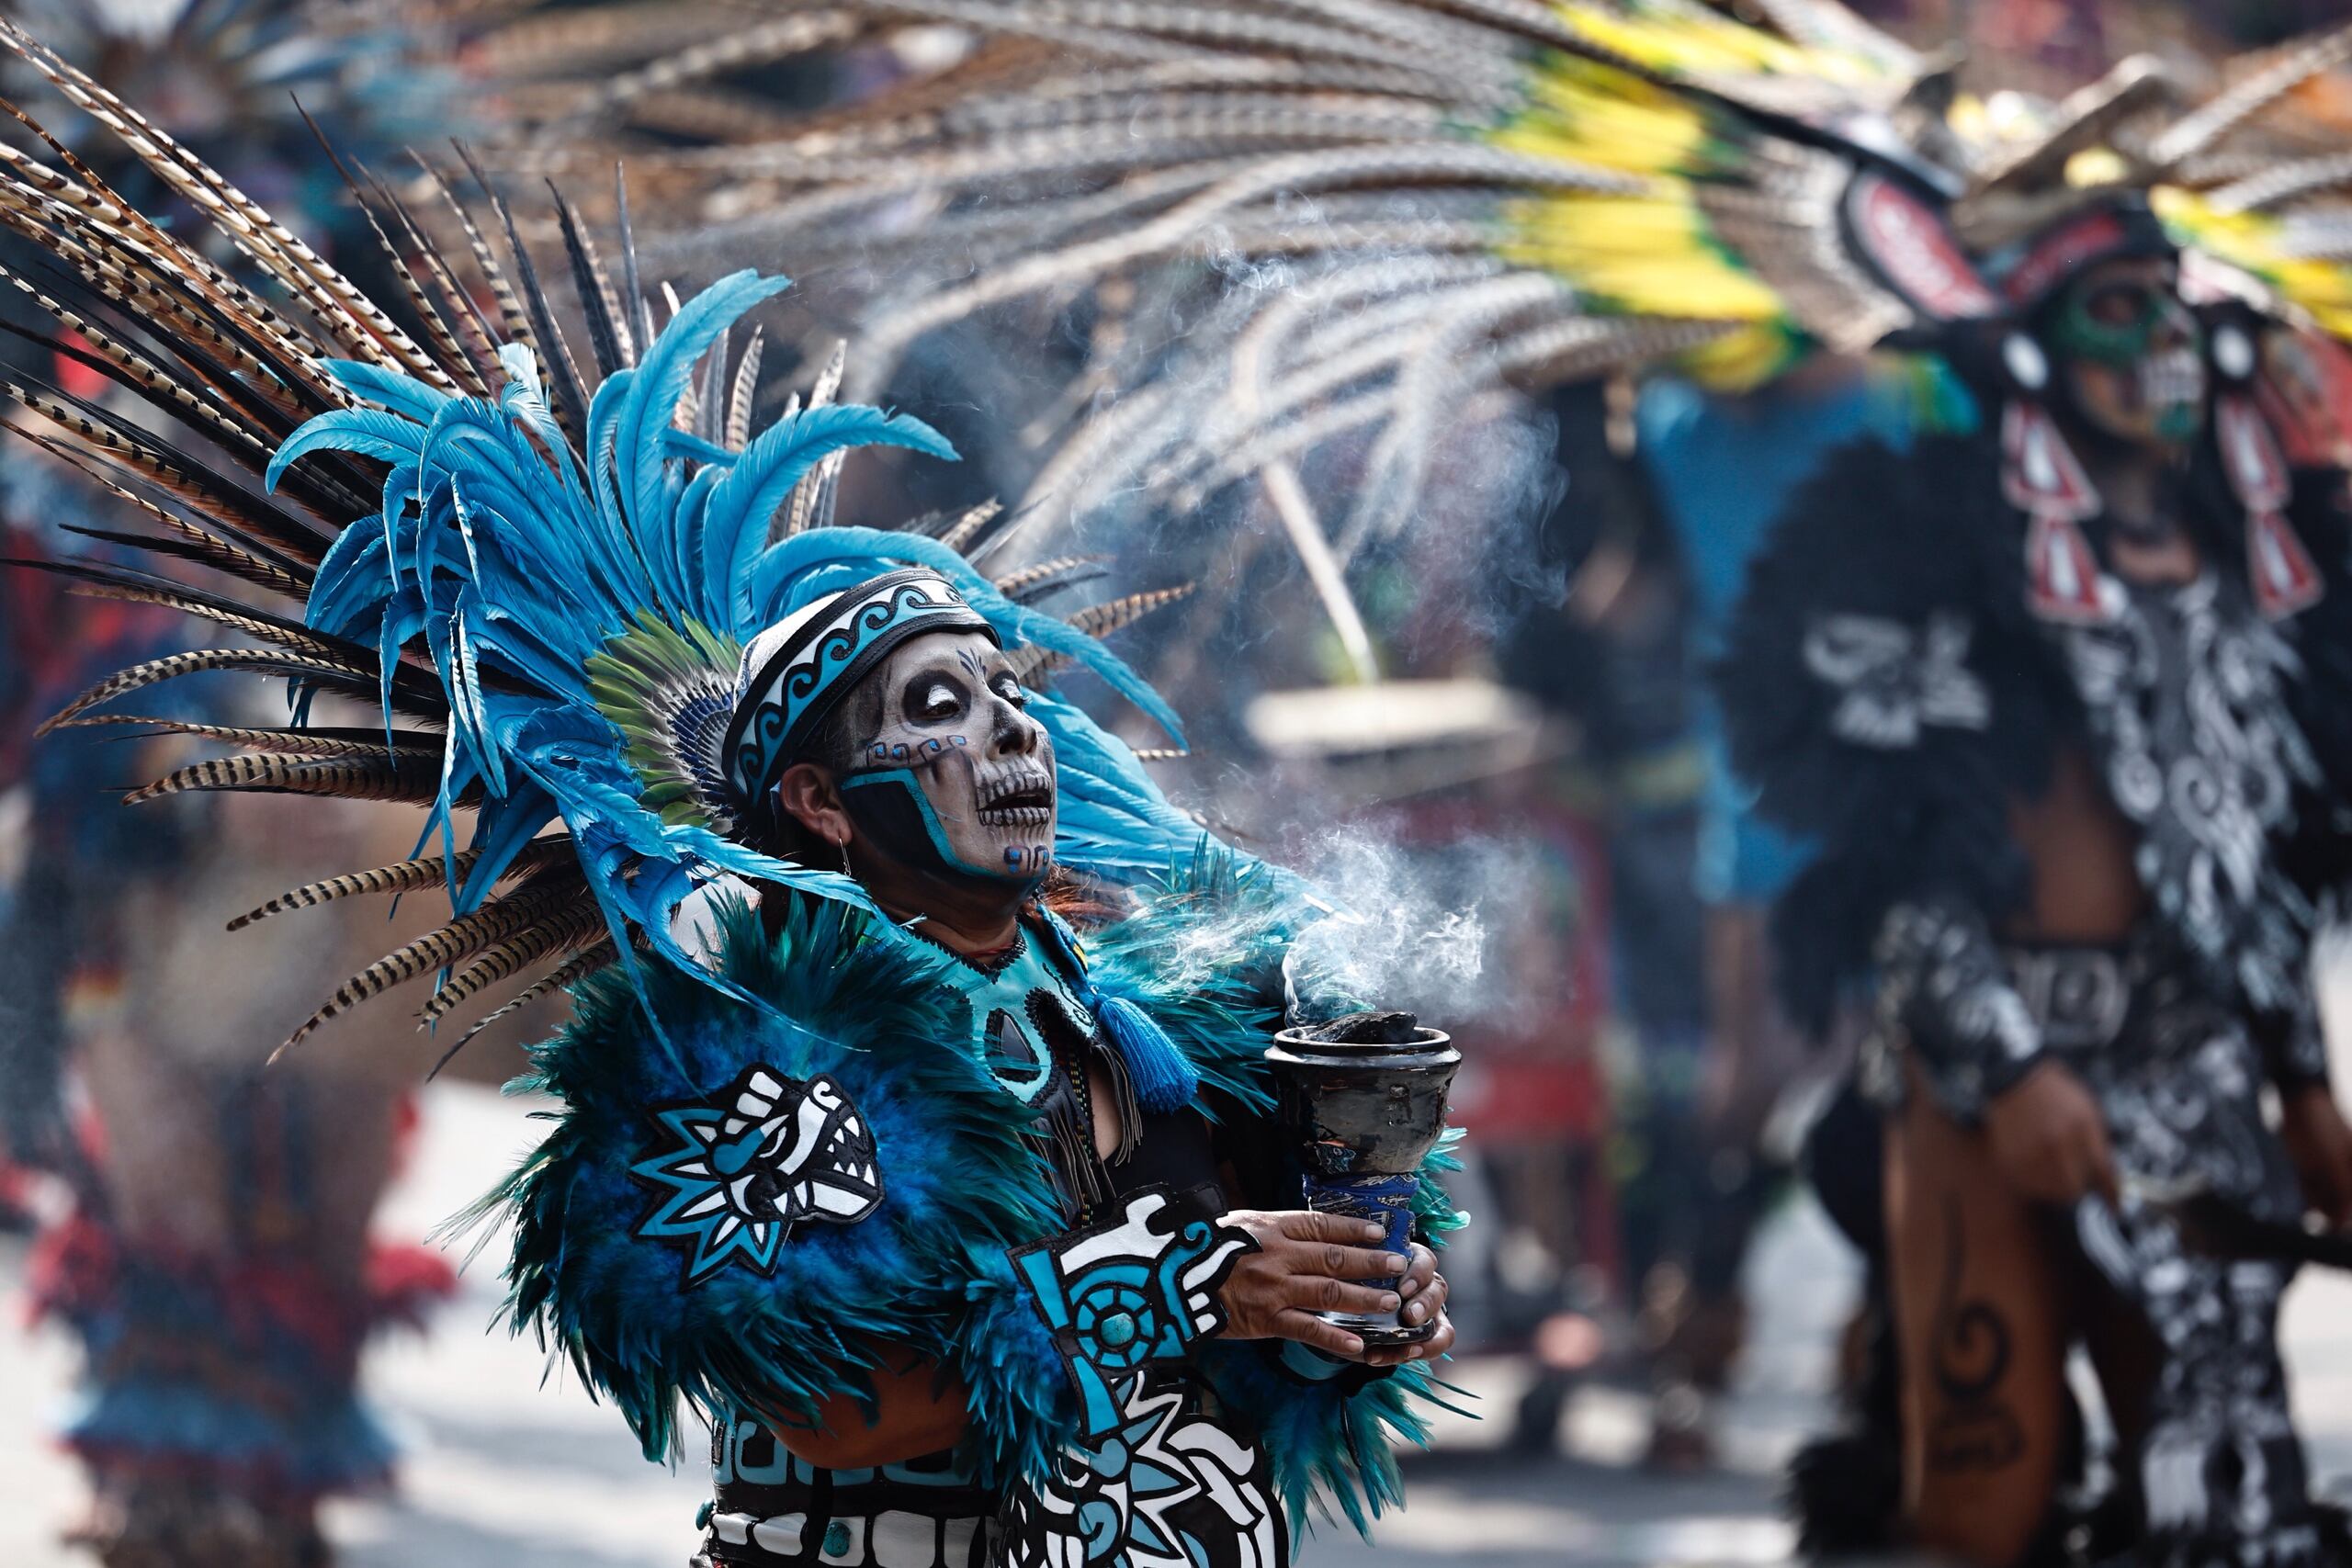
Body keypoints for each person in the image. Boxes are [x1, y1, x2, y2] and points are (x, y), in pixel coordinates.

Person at [0, 34, 1462, 1565]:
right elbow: (833, 1405)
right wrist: (1188, 1286)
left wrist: (1338, 1302)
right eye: (943, 713)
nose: (1020, 743)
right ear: (821, 806)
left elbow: (1231, 1349)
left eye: (1020, 703)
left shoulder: (1141, 1032)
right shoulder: (762, 1042)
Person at [1723, 191, 2352, 1565]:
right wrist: (2011, 1070)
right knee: (1981, 1502)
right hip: (1977, 1079)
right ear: (2031, 351)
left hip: (2190, 1070)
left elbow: (2268, 857)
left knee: (2224, 1509)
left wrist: (2300, 1082)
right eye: (2118, 312)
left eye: (2175, 307)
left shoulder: (2258, 560)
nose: (2165, 345)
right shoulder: (1932, 557)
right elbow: (1896, 861)